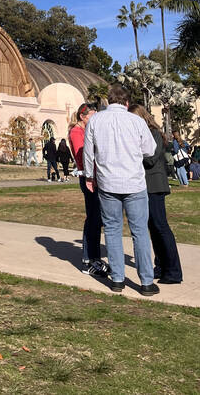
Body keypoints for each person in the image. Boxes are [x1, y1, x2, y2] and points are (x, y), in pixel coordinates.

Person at [83, 84, 158, 295]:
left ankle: (117, 279)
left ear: (109, 100)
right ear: (127, 102)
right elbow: (149, 149)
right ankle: (146, 282)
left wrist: (90, 175)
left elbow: (89, 152)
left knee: (113, 230)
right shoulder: (136, 121)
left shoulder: (96, 120)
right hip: (133, 182)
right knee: (140, 232)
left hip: (108, 182)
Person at [130, 104, 183, 284]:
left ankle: (174, 271)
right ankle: (160, 265)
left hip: (155, 185)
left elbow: (151, 159)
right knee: (153, 228)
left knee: (161, 227)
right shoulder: (143, 134)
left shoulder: (153, 133)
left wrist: (131, 153)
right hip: (144, 185)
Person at [68, 105, 109, 277]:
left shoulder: (88, 130)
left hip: (96, 176)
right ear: (82, 117)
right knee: (93, 218)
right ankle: (88, 259)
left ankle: (94, 257)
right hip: (88, 178)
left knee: (97, 218)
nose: (95, 120)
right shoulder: (77, 132)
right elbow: (82, 155)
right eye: (92, 116)